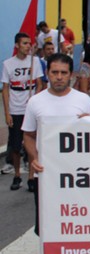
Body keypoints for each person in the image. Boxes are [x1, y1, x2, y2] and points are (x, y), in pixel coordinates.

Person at [22, 53, 90, 254]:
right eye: (55, 72)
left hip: (78, 176)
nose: (59, 77)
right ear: (48, 74)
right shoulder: (36, 102)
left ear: (71, 75)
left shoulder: (83, 100)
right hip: (48, 178)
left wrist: (89, 125)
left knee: (78, 223)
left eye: (64, 73)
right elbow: (28, 135)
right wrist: (35, 158)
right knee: (47, 225)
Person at [2, 33, 44, 190]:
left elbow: (40, 83)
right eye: (25, 43)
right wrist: (7, 112)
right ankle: (17, 175)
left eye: (30, 43)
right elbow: (5, 89)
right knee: (15, 145)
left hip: (30, 110)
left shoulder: (35, 62)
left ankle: (31, 176)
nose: (28, 46)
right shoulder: (8, 64)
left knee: (32, 143)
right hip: (15, 109)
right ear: (17, 45)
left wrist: (34, 100)